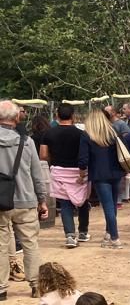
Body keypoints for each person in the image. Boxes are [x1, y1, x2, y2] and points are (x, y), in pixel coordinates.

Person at [0, 100, 48, 301]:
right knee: (30, 243)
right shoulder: (26, 142)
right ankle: (36, 285)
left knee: (1, 244)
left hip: (1, 202)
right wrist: (42, 200)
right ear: (16, 117)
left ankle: (1, 288)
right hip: (26, 199)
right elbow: (37, 174)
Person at [79, 109, 127, 249]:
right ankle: (108, 233)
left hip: (99, 175)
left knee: (108, 207)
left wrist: (82, 174)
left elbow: (83, 159)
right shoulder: (113, 133)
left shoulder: (87, 135)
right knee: (112, 204)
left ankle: (114, 237)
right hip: (116, 172)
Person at [42, 104, 89, 248]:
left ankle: (69, 235)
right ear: (73, 117)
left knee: (65, 204)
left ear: (57, 116)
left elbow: (43, 155)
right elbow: (85, 154)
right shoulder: (81, 134)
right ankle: (83, 232)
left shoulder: (48, 133)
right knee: (82, 202)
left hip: (59, 172)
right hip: (78, 172)